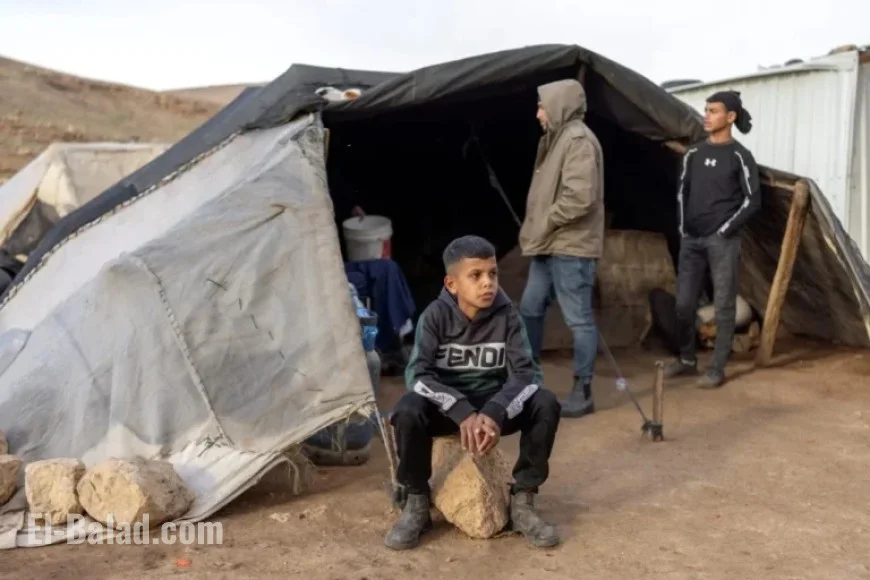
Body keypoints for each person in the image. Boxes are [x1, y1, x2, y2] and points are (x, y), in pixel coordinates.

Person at [385, 235, 562, 551]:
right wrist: (460, 410)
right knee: (408, 409)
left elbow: (527, 373)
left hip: (494, 406)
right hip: (447, 408)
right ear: (451, 284)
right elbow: (417, 375)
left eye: (492, 273)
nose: (488, 283)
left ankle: (523, 501)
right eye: (476, 275)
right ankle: (416, 501)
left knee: (545, 403)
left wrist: (496, 411)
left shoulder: (508, 315)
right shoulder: (435, 316)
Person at [517, 78, 604, 419]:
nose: (539, 113)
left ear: (560, 105)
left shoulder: (578, 140)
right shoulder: (557, 139)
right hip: (550, 243)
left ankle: (583, 391)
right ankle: (528, 381)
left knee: (579, 320)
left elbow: (579, 198)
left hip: (571, 245)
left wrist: (546, 220)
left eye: (543, 106)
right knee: (530, 308)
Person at [665, 90, 761, 388]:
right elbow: (682, 194)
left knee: (723, 305)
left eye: (714, 111)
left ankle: (717, 368)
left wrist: (723, 231)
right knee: (683, 305)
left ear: (730, 117)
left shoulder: (740, 156)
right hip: (691, 241)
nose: (706, 115)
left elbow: (752, 200)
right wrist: (683, 229)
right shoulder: (693, 153)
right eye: (705, 110)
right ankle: (686, 359)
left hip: (722, 242)